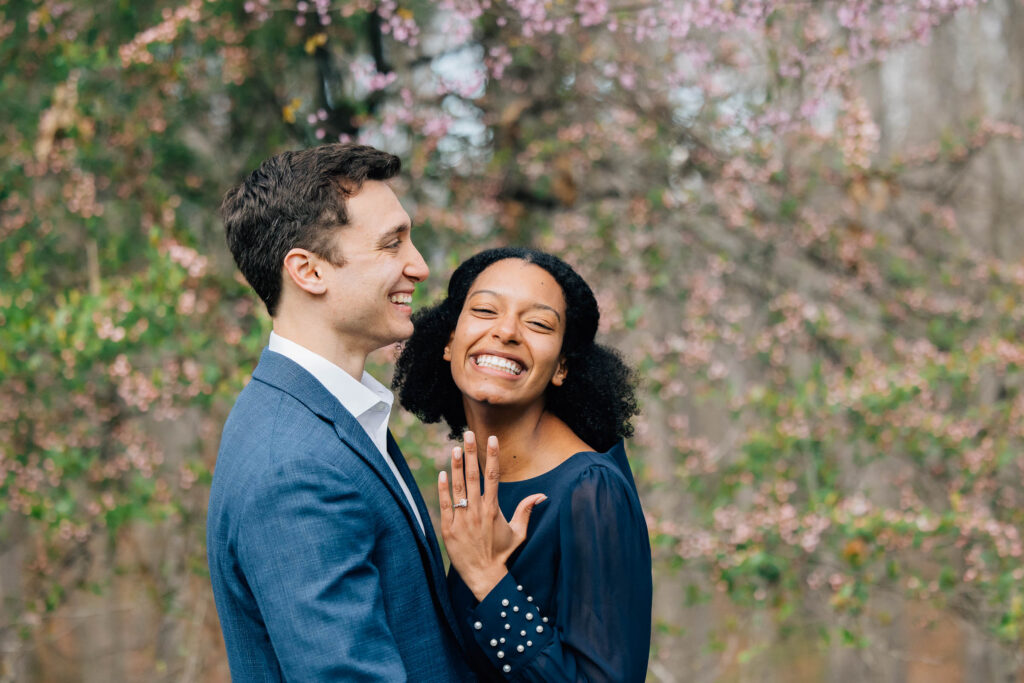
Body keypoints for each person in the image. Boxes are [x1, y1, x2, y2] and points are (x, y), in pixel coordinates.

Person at [207, 143, 490, 681]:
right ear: (309, 271)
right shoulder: (293, 469)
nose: (421, 266)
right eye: (392, 245)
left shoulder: (329, 417)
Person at [394, 247, 653, 681]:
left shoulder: (591, 490)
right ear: (448, 341)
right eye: (484, 310)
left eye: (537, 323)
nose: (507, 331)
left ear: (562, 368)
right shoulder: (480, 478)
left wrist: (488, 579)